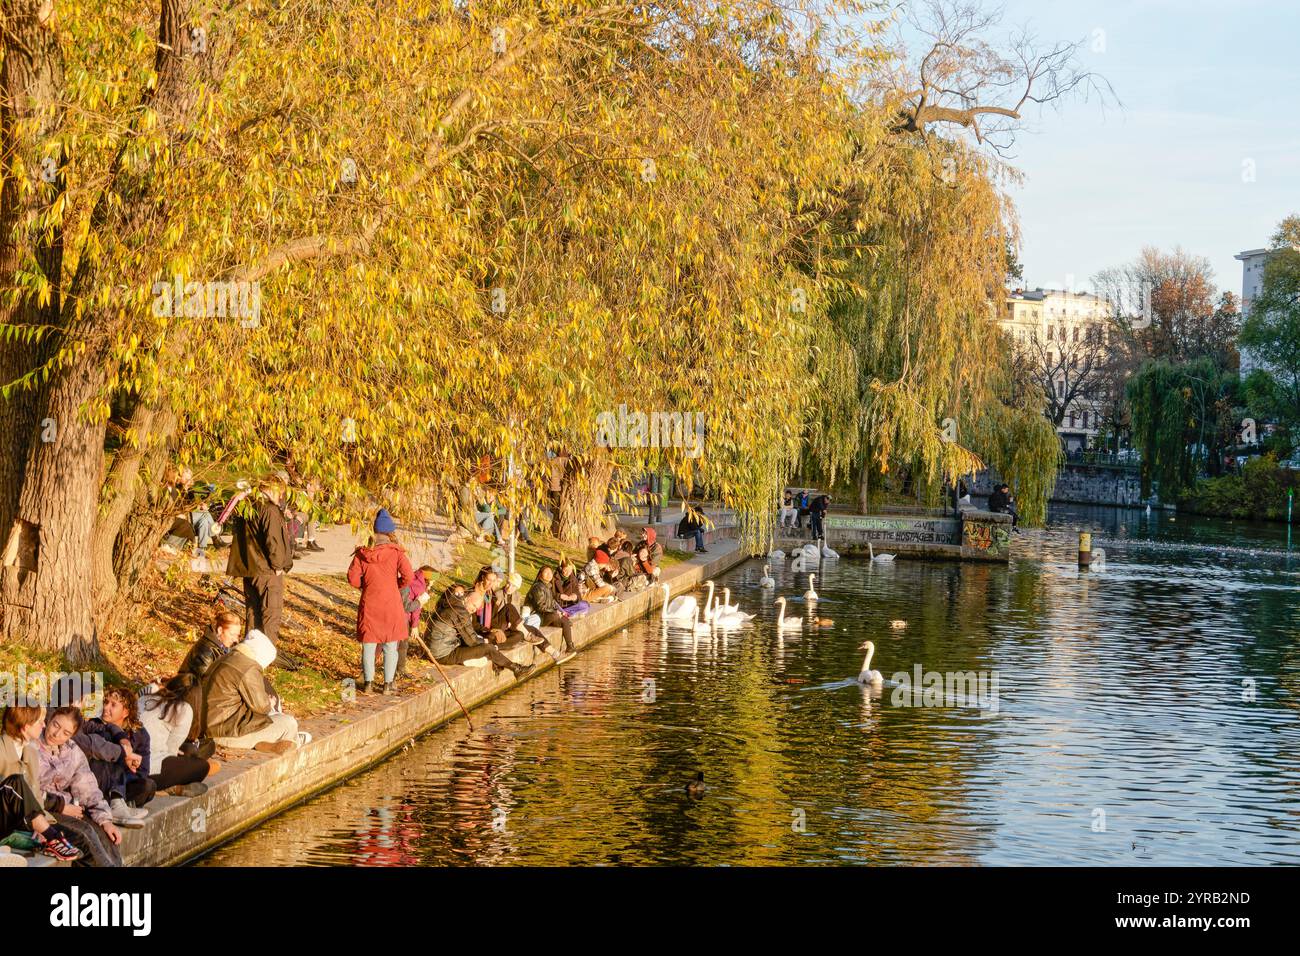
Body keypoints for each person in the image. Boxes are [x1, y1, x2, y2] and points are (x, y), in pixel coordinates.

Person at [37, 707, 124, 866]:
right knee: (85, 834)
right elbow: (28, 790)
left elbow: (87, 788)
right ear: (50, 720)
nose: (57, 735)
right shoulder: (31, 743)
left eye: (66, 733)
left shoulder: (72, 750)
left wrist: (105, 820)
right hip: (43, 811)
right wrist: (61, 806)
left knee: (105, 836)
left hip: (70, 808)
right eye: (56, 725)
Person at [1, 705, 84, 863]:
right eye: (40, 721)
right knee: (15, 782)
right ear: (26, 726)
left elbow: (35, 796)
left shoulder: (30, 753)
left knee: (79, 838)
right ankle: (53, 838)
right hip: (5, 819)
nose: (44, 725)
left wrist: (41, 826)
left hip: (16, 823)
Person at [202, 629, 303, 754]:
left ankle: (267, 744)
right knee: (289, 723)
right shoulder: (248, 667)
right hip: (226, 734)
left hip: (208, 728)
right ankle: (297, 740)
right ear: (262, 656)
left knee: (277, 721)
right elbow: (261, 707)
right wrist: (269, 702)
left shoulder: (226, 658)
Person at [347, 509, 413, 695]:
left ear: (374, 531)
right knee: (390, 644)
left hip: (370, 602)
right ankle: (387, 684)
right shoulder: (397, 553)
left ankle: (368, 683)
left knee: (369, 643)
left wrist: (365, 586)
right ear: (390, 532)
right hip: (391, 602)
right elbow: (409, 576)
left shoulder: (362, 553)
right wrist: (396, 585)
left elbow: (352, 578)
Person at [225, 472, 294, 644]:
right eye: (280, 492)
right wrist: (278, 565)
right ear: (272, 489)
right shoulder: (268, 509)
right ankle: (266, 654)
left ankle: (250, 651)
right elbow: (273, 541)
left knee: (253, 612)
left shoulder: (248, 506)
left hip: (250, 568)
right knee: (271, 612)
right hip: (266, 569)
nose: (281, 497)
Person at [425, 585, 535, 679]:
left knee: (487, 647)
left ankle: (502, 664)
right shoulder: (459, 611)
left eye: (476, 609)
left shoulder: (447, 603)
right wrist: (486, 642)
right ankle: (516, 669)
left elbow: (466, 635)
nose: (473, 610)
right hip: (442, 654)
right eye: (473, 606)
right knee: (487, 648)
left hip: (436, 648)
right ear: (466, 599)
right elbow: (471, 640)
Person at [79, 687, 154, 824]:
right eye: (105, 702)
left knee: (148, 786)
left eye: (113, 705)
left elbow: (142, 771)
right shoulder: (95, 725)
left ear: (126, 712)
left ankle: (121, 803)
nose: (106, 708)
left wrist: (126, 769)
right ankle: (114, 803)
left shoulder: (140, 734)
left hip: (125, 781)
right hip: (100, 781)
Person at [136, 682, 218, 797]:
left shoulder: (148, 695)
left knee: (190, 749)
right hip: (146, 766)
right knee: (203, 766)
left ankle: (170, 787)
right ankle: (170, 788)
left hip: (135, 755)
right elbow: (171, 752)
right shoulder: (184, 708)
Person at [527, 566, 577, 658]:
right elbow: (540, 606)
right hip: (538, 615)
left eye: (550, 573)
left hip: (547, 615)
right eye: (546, 573)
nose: (549, 575)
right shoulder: (537, 587)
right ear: (540, 574)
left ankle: (570, 646)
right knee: (555, 615)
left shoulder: (548, 586)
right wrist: (555, 612)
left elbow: (553, 602)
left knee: (565, 620)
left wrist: (560, 611)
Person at [399, 564, 437, 681]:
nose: (433, 584)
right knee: (402, 645)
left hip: (397, 614)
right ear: (428, 578)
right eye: (433, 581)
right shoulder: (420, 587)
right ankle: (400, 670)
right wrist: (414, 626)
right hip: (402, 617)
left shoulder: (414, 577)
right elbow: (416, 608)